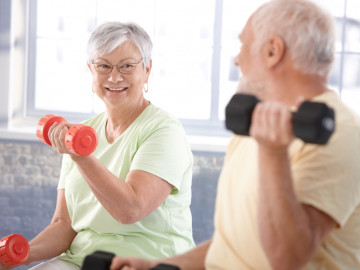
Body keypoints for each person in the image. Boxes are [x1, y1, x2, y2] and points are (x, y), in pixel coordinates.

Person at [109, 0, 360, 269]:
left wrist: (273, 154)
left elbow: (287, 259)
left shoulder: (341, 135)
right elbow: (231, 248)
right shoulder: (255, 127)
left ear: (273, 51)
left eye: (243, 45)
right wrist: (159, 266)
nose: (237, 59)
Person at [0, 22, 195, 270]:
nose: (114, 77)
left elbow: (130, 210)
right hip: (82, 260)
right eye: (104, 66)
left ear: (147, 69)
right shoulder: (82, 132)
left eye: (127, 65)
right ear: (91, 70)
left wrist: (81, 157)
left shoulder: (164, 130)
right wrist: (22, 256)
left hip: (148, 262)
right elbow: (63, 225)